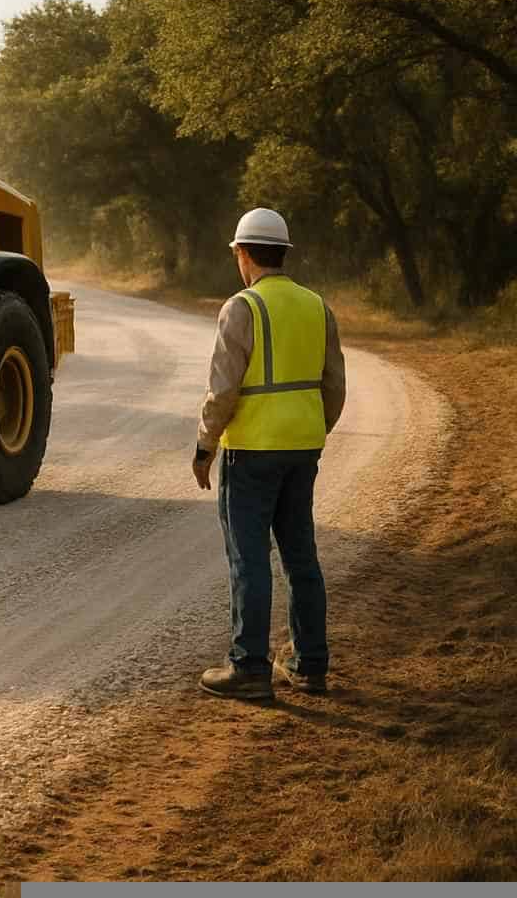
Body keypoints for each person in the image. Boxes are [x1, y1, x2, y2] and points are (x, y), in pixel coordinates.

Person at [192, 208, 347, 701]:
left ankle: (250, 668)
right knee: (302, 556)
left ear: (243, 254)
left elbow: (222, 391)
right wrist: (312, 428)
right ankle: (310, 665)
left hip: (252, 453)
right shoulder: (317, 306)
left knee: (249, 559)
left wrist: (204, 446)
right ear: (283, 253)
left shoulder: (242, 308)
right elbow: (335, 386)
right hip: (303, 449)